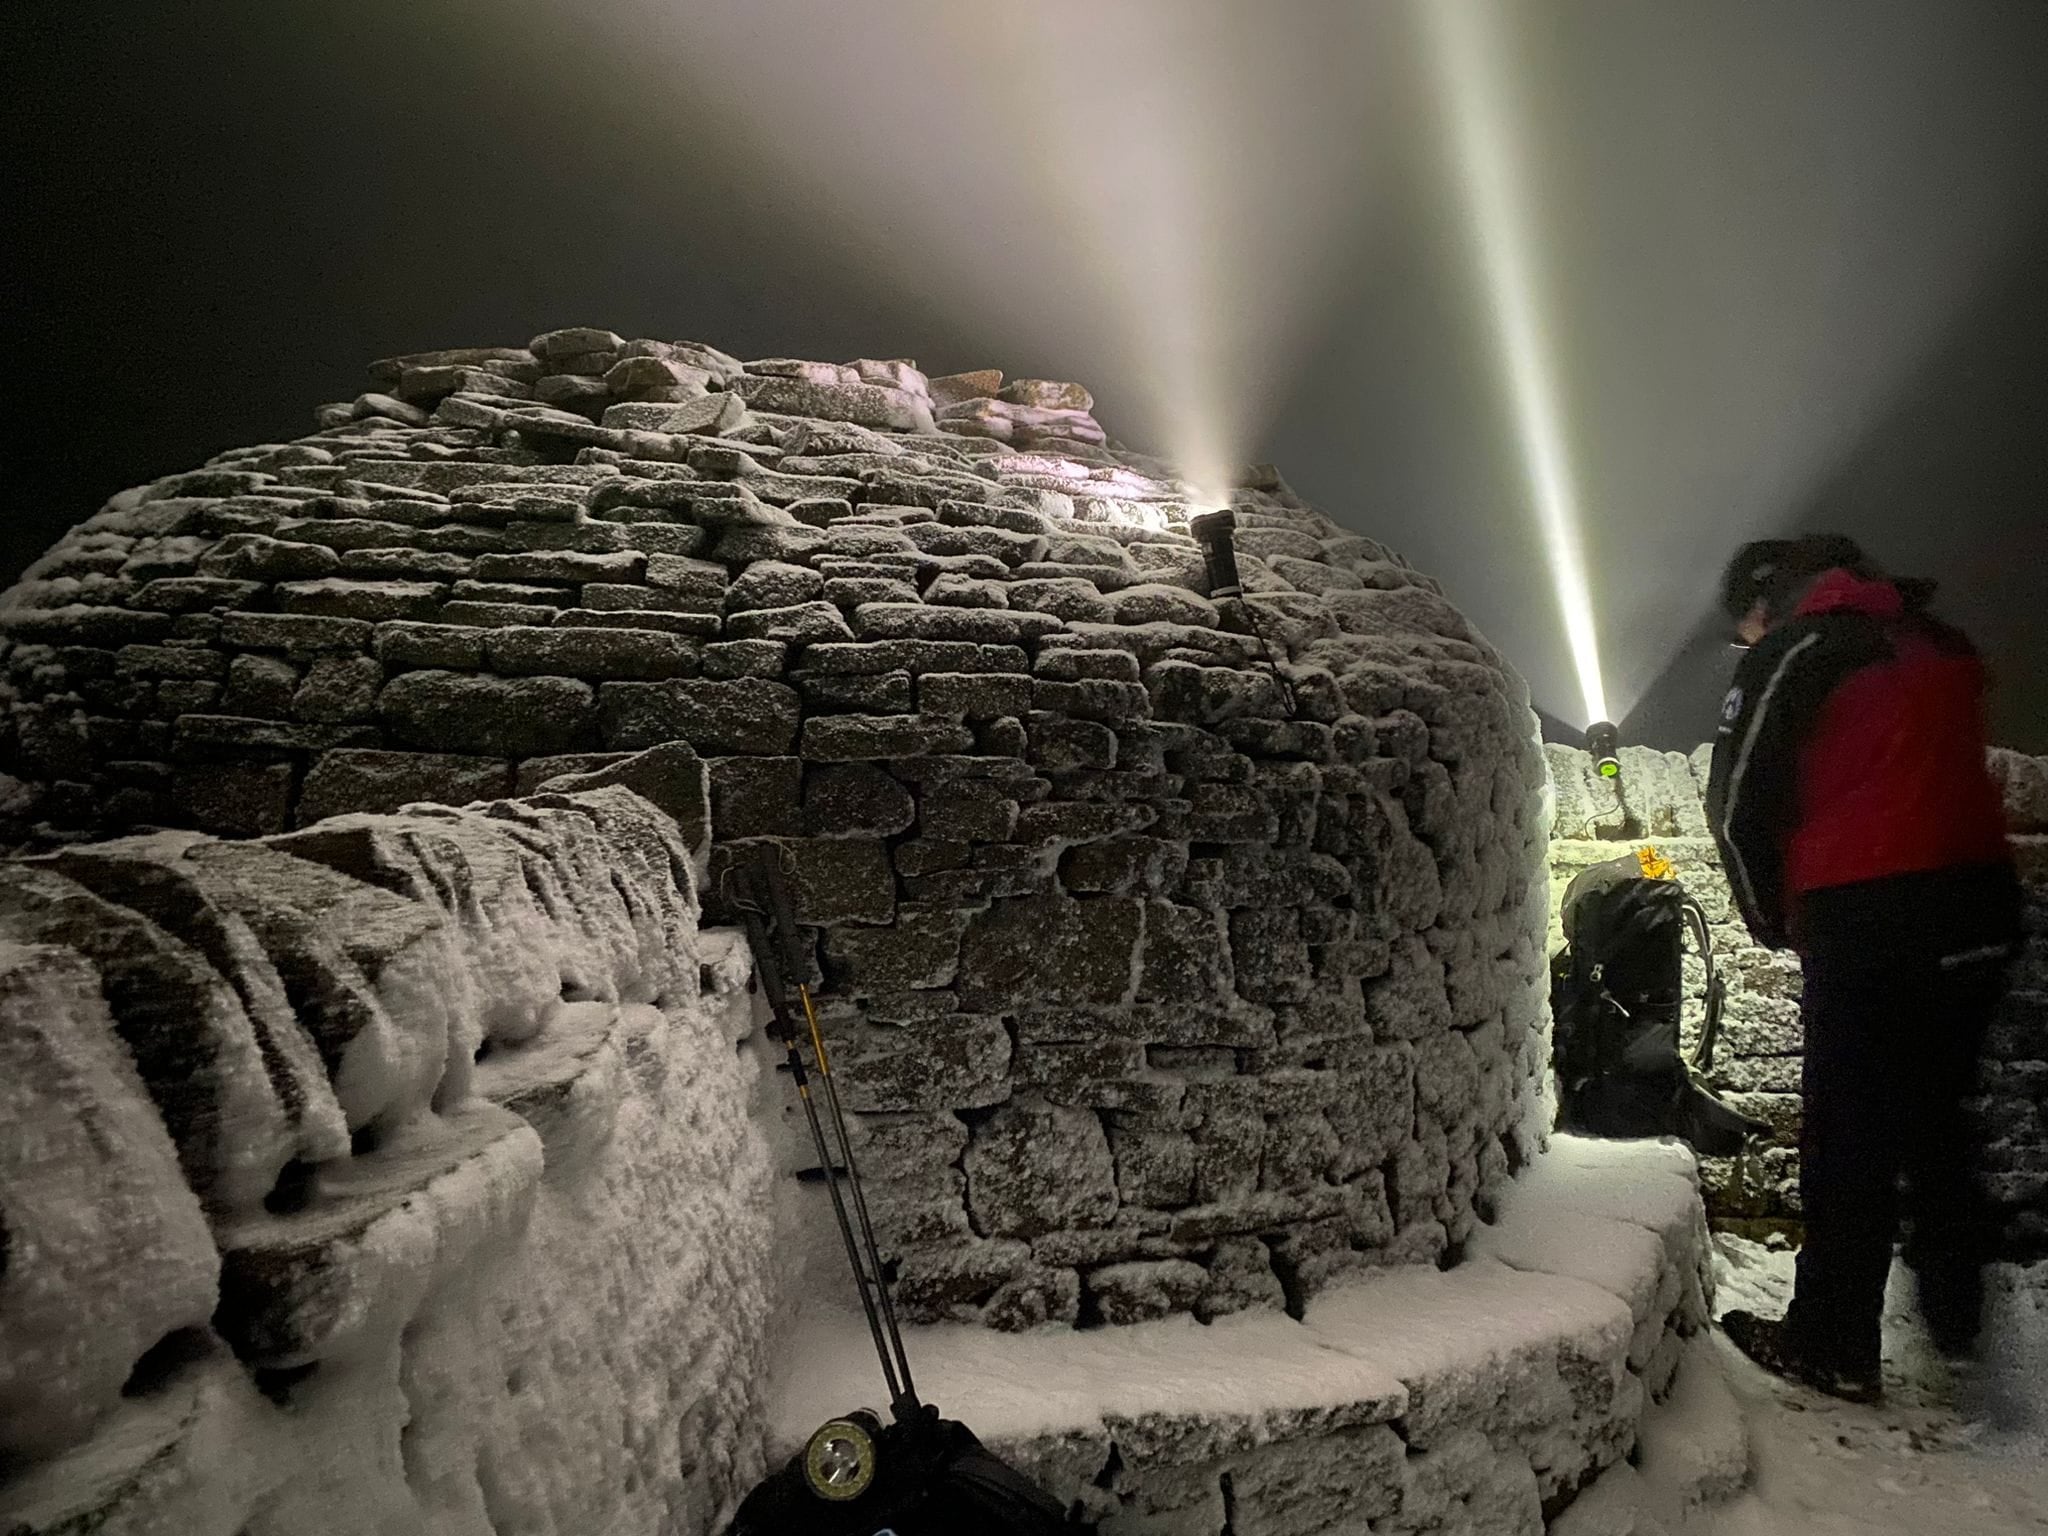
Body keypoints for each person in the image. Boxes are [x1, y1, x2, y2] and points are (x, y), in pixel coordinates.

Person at [1705, 534, 2018, 1402]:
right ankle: (1959, 1324)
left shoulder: (1797, 649)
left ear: (1771, 602)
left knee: (1848, 1138)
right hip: (1982, 904)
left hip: (1872, 910)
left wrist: (1771, 920)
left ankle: (1833, 1345)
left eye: (1745, 626)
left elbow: (1737, 800)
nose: (1746, 641)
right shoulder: (1937, 640)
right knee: (1940, 1115)